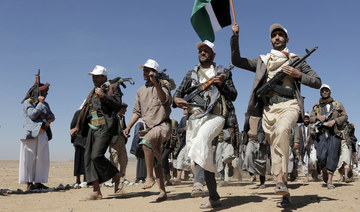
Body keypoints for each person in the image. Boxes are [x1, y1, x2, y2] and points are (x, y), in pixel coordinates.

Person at [231, 23, 321, 207]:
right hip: (268, 110)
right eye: (274, 35)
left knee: (281, 132)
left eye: (281, 35)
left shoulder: (297, 59)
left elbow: (317, 82)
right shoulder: (263, 61)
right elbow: (236, 61)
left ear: (287, 40)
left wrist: (297, 74)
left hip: (290, 105)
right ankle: (284, 193)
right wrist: (235, 37)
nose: (277, 37)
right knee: (276, 147)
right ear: (270, 40)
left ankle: (280, 178)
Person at [173, 40, 237, 209]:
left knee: (202, 140)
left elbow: (234, 95)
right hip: (194, 118)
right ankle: (214, 197)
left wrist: (222, 85)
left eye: (206, 50)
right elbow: (177, 94)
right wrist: (177, 100)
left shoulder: (222, 72)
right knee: (203, 154)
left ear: (213, 54)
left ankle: (197, 183)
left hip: (216, 116)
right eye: (200, 50)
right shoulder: (191, 74)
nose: (202, 52)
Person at [70, 65, 123, 200]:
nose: (94, 79)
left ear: (104, 77)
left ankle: (116, 175)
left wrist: (104, 96)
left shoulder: (113, 87)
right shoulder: (92, 92)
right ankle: (96, 191)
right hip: (93, 127)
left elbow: (118, 107)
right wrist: (77, 126)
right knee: (88, 157)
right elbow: (85, 110)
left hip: (106, 127)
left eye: (97, 76)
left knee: (96, 155)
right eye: (93, 76)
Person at [123, 59, 172, 202]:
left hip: (163, 126)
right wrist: (128, 127)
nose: (144, 73)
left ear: (155, 72)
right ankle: (163, 191)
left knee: (145, 142)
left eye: (147, 70)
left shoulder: (164, 85)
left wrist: (156, 82)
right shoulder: (140, 90)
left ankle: (149, 177)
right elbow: (137, 112)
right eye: (144, 70)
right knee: (156, 159)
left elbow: (164, 100)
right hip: (148, 128)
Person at [310, 84, 348, 189]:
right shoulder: (316, 107)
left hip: (335, 133)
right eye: (322, 91)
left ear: (330, 92)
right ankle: (324, 170)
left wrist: (335, 121)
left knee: (333, 155)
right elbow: (310, 119)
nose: (324, 92)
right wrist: (318, 117)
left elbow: (345, 116)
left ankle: (330, 180)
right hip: (321, 133)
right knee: (321, 157)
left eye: (326, 90)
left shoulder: (338, 105)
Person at [19, 82, 55, 191]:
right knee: (28, 159)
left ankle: (38, 183)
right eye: (45, 91)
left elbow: (52, 116)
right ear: (38, 92)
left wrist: (45, 115)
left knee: (42, 159)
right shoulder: (27, 102)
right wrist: (40, 104)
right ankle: (29, 183)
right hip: (30, 134)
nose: (47, 93)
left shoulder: (46, 104)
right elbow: (33, 115)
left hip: (43, 132)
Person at [242, 116, 268, 188]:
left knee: (261, 161)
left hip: (261, 142)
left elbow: (268, 128)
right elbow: (245, 129)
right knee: (248, 155)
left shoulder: (263, 116)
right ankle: (252, 174)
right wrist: (244, 142)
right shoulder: (247, 116)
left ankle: (262, 182)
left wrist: (266, 139)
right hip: (251, 140)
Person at [109, 103, 129, 188]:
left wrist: (125, 134)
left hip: (122, 142)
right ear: (121, 109)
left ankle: (122, 178)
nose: (126, 111)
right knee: (114, 160)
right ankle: (114, 178)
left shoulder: (122, 118)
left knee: (124, 160)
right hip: (114, 142)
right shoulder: (113, 116)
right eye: (125, 109)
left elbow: (123, 128)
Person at [298, 112, 318, 182]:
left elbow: (317, 135)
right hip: (302, 147)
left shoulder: (312, 127)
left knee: (313, 160)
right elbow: (298, 137)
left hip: (311, 145)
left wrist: (314, 133)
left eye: (307, 119)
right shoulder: (299, 127)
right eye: (305, 119)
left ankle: (314, 172)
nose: (306, 120)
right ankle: (307, 177)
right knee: (304, 162)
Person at [70, 108, 87, 188]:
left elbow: (72, 125)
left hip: (78, 139)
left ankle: (78, 181)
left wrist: (73, 138)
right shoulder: (92, 112)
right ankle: (84, 180)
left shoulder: (77, 112)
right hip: (85, 140)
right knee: (85, 160)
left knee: (79, 160)